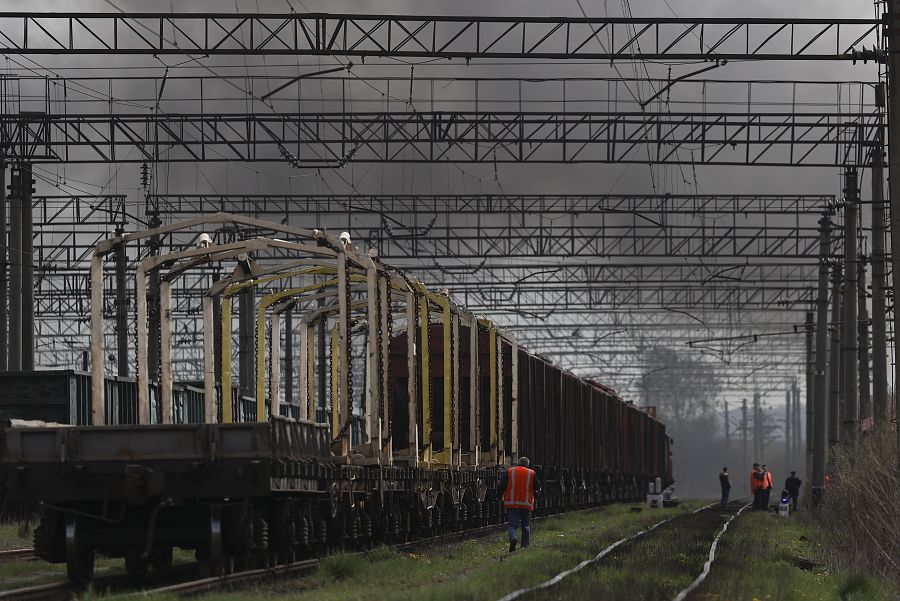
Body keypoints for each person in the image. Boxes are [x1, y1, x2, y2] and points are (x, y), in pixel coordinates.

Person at [497, 456, 541, 552]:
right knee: (526, 526)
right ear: (527, 464)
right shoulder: (531, 473)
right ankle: (524, 547)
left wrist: (498, 496)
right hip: (526, 505)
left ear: (518, 463)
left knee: (512, 525)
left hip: (512, 505)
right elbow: (538, 487)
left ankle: (513, 538)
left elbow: (501, 486)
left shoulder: (510, 471)